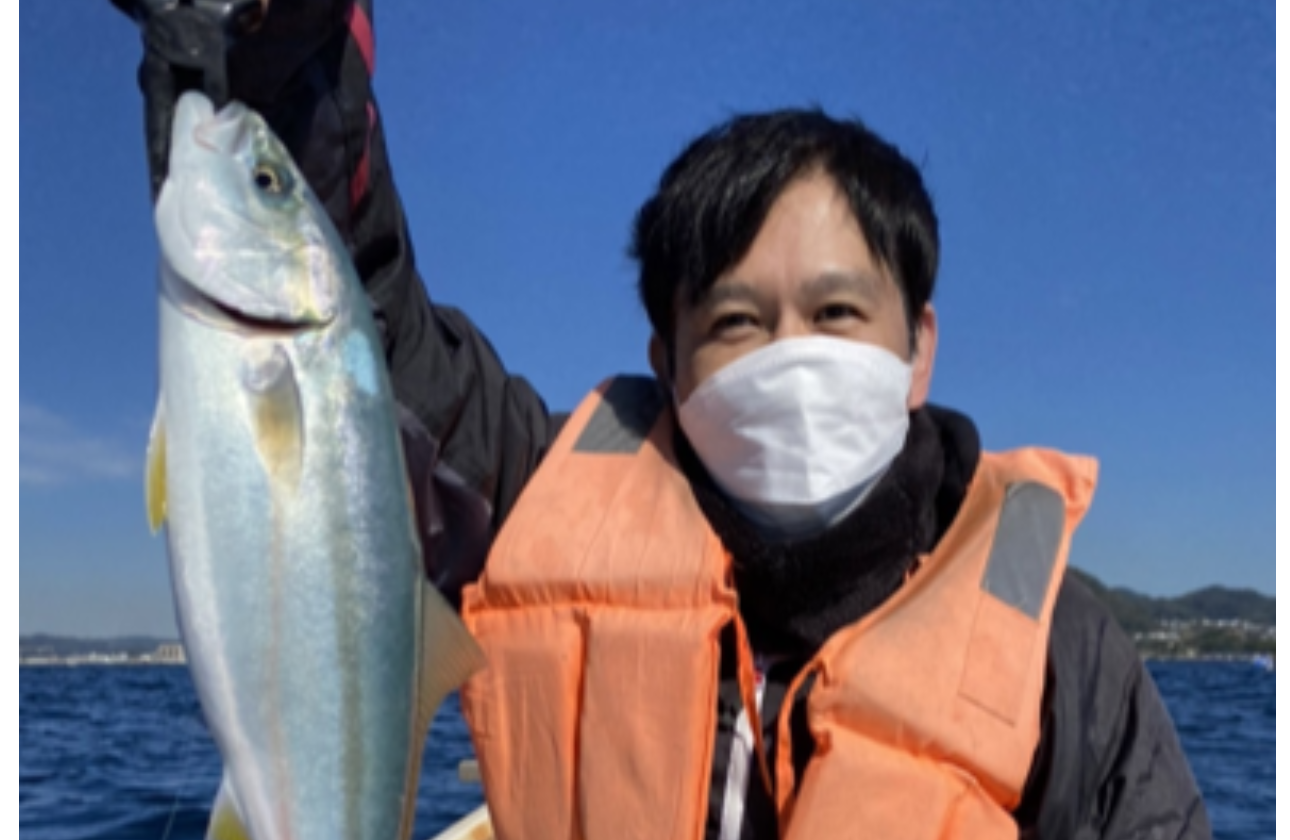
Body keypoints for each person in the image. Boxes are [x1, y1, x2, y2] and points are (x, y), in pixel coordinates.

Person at [111, 1, 1213, 837]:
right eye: (736, 321)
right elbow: (364, 336)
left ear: (918, 347)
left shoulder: (1062, 653)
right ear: (666, 359)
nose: (790, 356)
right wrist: (278, 42)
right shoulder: (542, 495)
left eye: (836, 312)